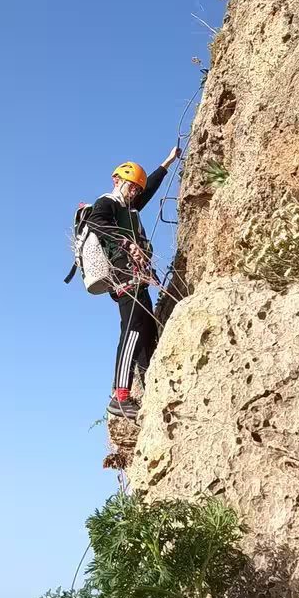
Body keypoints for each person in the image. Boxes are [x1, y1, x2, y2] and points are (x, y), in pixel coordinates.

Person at [85, 146, 180, 420]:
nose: (135, 192)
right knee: (133, 328)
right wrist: (127, 243)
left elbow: (149, 189)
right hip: (123, 275)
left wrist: (167, 163)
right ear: (117, 180)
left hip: (138, 276)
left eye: (137, 189)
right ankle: (120, 396)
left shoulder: (129, 206)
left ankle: (152, 389)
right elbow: (97, 222)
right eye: (131, 186)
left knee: (147, 330)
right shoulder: (108, 202)